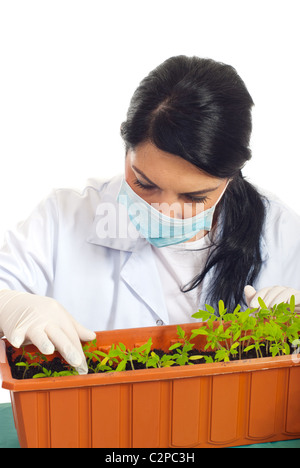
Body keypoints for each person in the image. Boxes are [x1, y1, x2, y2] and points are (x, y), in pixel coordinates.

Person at [1, 55, 300, 375]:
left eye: (194, 196)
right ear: (126, 148)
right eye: (144, 183)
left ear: (231, 175)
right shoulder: (64, 218)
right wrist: (11, 306)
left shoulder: (280, 232)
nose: (165, 210)